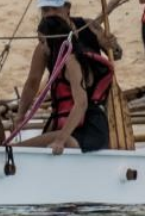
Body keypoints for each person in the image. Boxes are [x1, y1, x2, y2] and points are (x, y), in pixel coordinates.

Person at [11, 0, 115, 132]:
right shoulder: (44, 43)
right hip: (64, 111)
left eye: (55, 9)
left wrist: (111, 45)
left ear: (68, 8)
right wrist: (20, 115)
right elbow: (33, 82)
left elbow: (116, 55)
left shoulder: (90, 27)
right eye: (45, 10)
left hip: (95, 106)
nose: (50, 14)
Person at [17, 16, 114, 154]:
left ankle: (10, 150)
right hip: (75, 128)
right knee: (47, 137)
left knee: (48, 140)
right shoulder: (61, 61)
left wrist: (60, 140)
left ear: (53, 40)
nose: (42, 48)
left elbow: (81, 103)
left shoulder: (71, 61)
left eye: (43, 42)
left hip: (91, 128)